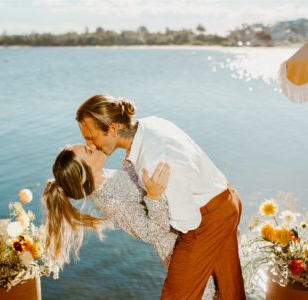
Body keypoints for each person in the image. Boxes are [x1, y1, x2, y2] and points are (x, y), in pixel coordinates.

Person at [76, 94, 246, 300]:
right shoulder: (151, 124)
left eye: (91, 137)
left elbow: (188, 221)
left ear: (113, 129)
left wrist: (154, 200)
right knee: (229, 290)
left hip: (208, 218)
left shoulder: (154, 160)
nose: (91, 144)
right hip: (226, 199)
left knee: (177, 294)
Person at [42, 144, 217, 299]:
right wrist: (154, 197)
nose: (93, 146)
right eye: (88, 150)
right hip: (181, 251)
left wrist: (131, 151)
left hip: (194, 236)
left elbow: (132, 184)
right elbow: (151, 233)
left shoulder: (105, 177)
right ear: (86, 171)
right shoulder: (109, 200)